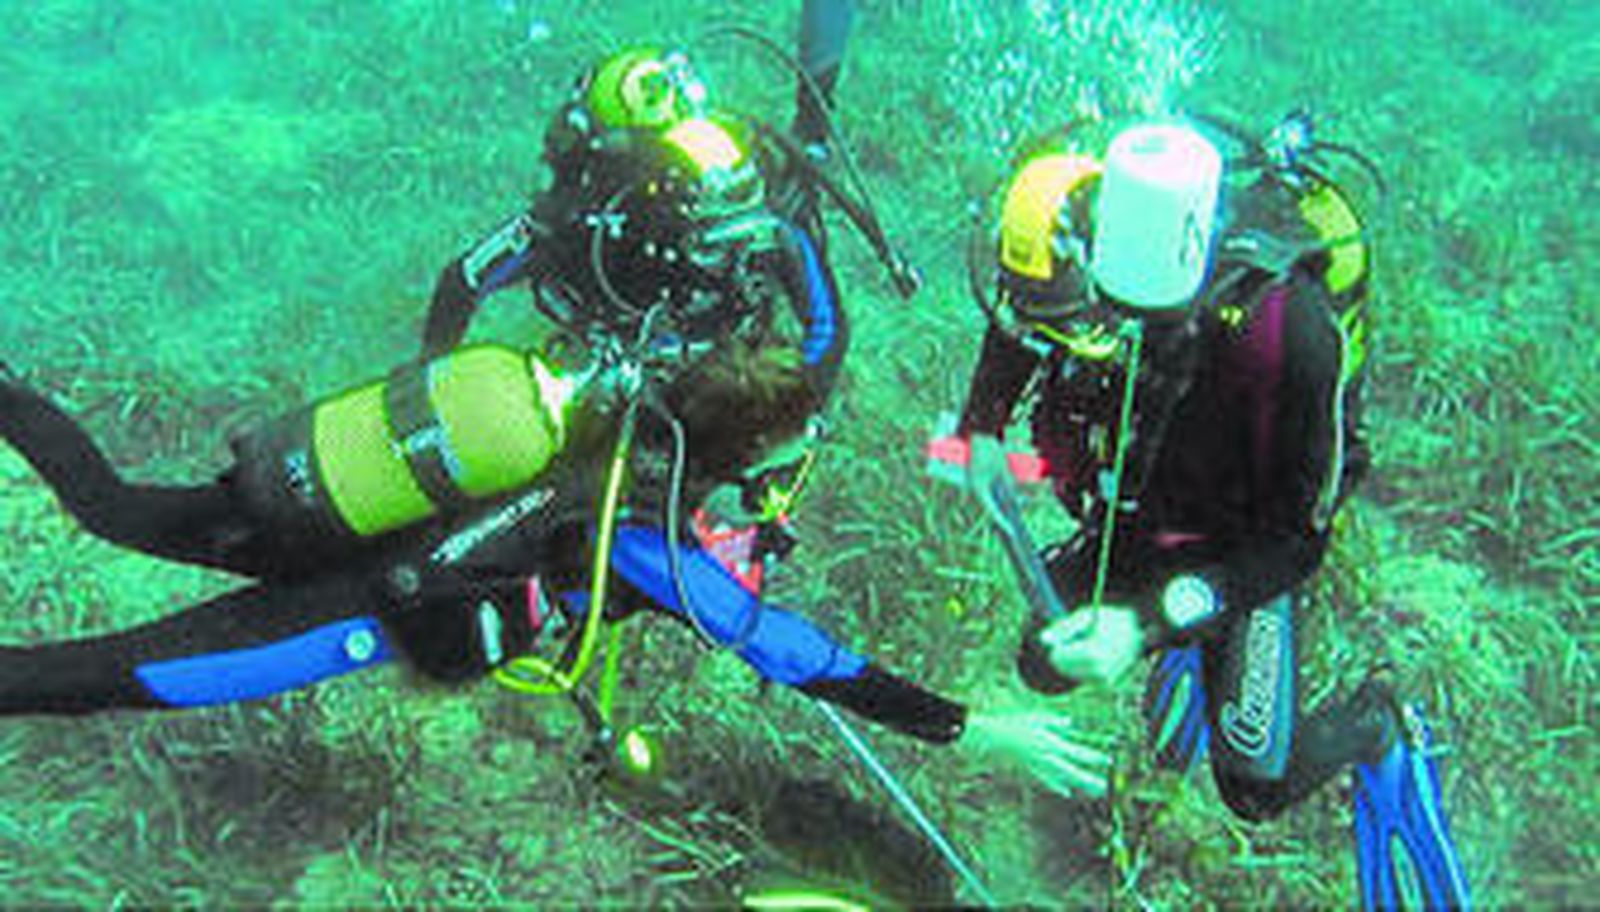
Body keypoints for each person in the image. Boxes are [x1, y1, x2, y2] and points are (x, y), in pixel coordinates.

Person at [0, 38, 1105, 802]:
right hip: (358, 605)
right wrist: (974, 728)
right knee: (101, 676)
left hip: (321, 501)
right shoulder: (637, 525)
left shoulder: (585, 397)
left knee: (105, 504)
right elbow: (793, 652)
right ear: (736, 444)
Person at [944, 112, 1471, 908]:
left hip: (1238, 546)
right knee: (1043, 659)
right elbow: (1019, 326)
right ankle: (1183, 640)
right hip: (1142, 507)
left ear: (1124, 283)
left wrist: (1147, 624)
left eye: (1070, 330)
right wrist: (981, 431)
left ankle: (1377, 726)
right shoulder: (1080, 242)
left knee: (1254, 785)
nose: (1049, 344)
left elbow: (1294, 547)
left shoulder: (1286, 335)